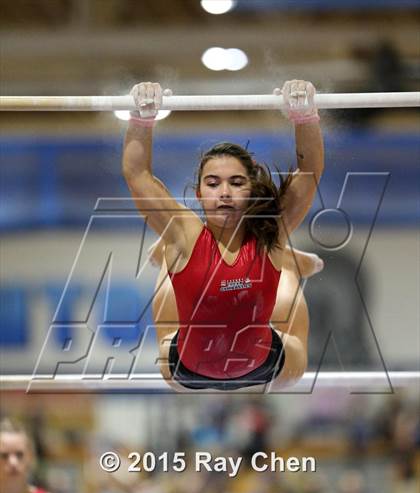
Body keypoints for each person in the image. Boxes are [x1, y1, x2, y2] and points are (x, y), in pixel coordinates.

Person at [123, 80, 324, 392]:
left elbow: (309, 173)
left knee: (289, 304)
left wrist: (305, 115)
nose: (225, 193)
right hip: (187, 370)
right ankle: (167, 254)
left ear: (252, 189)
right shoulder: (185, 233)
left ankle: (291, 264)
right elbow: (137, 175)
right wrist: (141, 118)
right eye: (213, 183)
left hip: (263, 366)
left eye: (237, 183)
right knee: (172, 276)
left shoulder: (269, 231)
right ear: (199, 193)